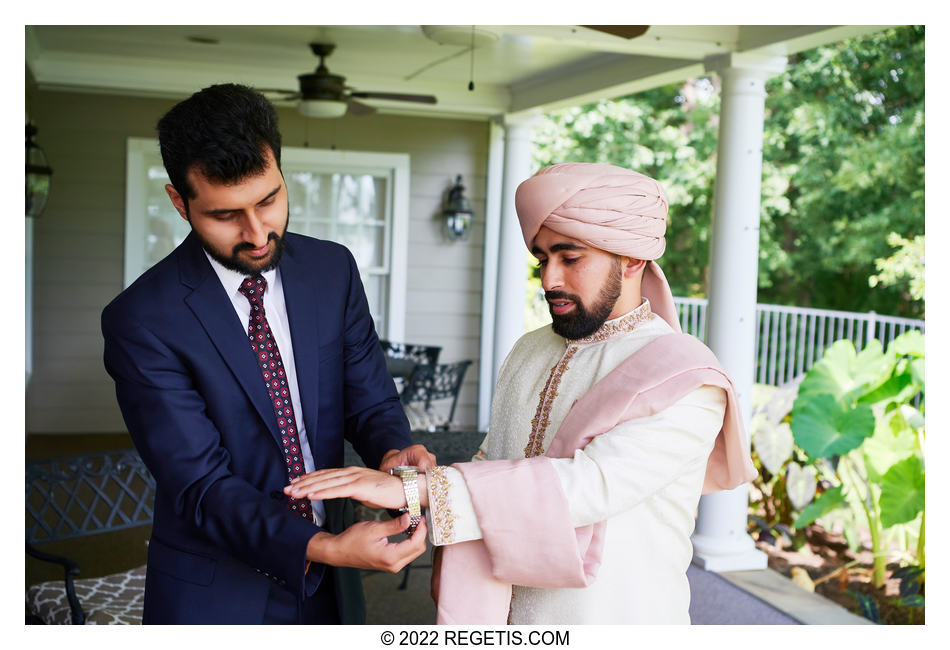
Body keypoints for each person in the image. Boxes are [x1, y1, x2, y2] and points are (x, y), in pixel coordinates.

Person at [287, 162, 758, 624]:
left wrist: (419, 489)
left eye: (570, 258)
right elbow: (495, 459)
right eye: (542, 259)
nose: (550, 280)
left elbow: (589, 486)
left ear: (633, 257)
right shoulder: (530, 350)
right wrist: (420, 501)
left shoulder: (686, 378)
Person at [101, 83, 433, 625]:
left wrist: (394, 450)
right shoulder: (140, 320)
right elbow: (201, 486)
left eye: (269, 199)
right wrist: (324, 546)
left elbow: (369, 399)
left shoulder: (333, 270)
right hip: (214, 590)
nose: (257, 234)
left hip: (333, 583)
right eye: (226, 215)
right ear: (179, 202)